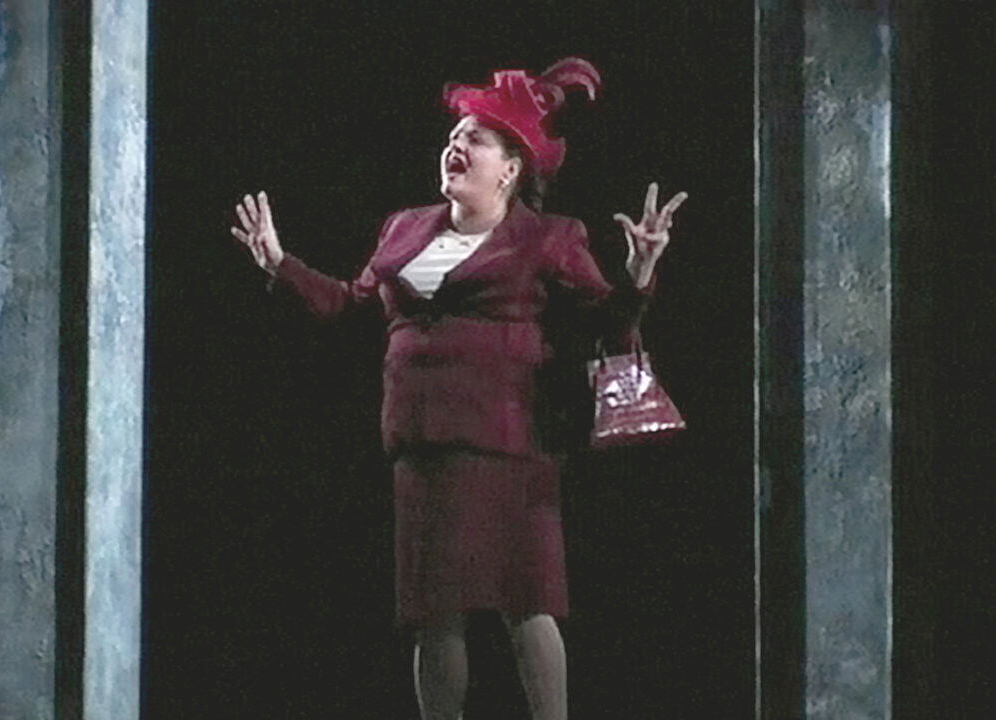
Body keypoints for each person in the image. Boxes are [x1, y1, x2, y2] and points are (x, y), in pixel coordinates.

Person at [230, 58, 686, 720]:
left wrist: (640, 273)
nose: (456, 145)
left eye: (475, 138)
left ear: (511, 168)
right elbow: (352, 305)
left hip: (509, 445)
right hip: (424, 448)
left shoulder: (547, 238)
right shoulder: (404, 228)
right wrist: (281, 264)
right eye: (454, 136)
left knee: (526, 602)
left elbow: (607, 320)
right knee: (434, 611)